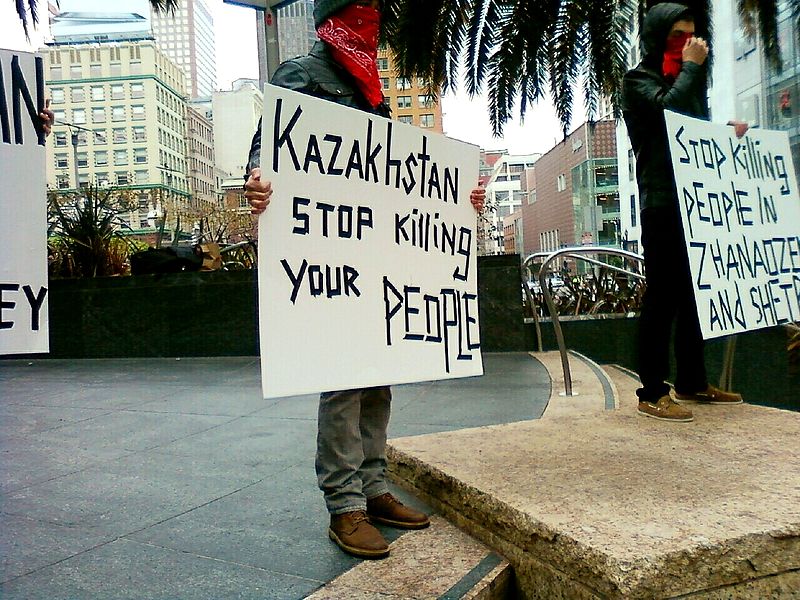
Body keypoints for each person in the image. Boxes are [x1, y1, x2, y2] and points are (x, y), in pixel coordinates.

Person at [244, 0, 486, 558]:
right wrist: (257, 177)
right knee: (344, 380)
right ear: (332, 19)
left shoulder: (374, 91)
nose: (369, 27)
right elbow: (272, 143)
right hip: (329, 256)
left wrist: (458, 199)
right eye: (358, 14)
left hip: (371, 256)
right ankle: (345, 506)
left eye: (375, 17)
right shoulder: (301, 75)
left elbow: (399, 177)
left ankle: (375, 490)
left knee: (378, 376)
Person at [622, 3, 745, 423]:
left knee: (696, 296)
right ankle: (652, 391)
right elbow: (667, 114)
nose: (687, 45)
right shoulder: (638, 80)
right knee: (663, 297)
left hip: (695, 204)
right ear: (658, 37)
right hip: (662, 204)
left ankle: (693, 381)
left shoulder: (686, 81)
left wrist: (726, 134)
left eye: (692, 37)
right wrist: (692, 69)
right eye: (678, 36)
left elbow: (694, 134)